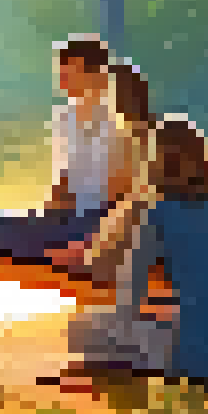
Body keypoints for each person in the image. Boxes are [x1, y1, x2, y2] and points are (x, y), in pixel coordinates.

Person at [66, 117, 208, 379]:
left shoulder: (157, 213)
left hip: (199, 359)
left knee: (80, 330)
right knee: (168, 317)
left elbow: (128, 298)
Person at [0, 36, 135, 264]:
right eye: (62, 73)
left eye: (71, 73)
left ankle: (73, 252)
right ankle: (61, 253)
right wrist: (47, 215)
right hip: (70, 218)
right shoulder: (65, 116)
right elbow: (64, 181)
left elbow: (124, 196)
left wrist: (103, 231)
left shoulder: (121, 119)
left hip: (104, 220)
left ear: (95, 75)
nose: (64, 81)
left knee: (84, 234)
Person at [53, 60, 156, 282]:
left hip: (107, 222)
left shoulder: (134, 139)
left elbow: (121, 202)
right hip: (95, 220)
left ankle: (76, 253)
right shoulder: (116, 134)